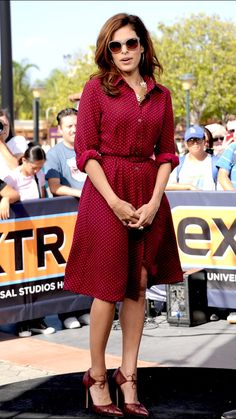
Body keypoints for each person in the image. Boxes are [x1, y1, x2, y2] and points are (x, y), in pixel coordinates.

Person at [63, 13, 183, 417]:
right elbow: (86, 153)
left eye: (131, 43)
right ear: (107, 50)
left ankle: (127, 375)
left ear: (143, 45)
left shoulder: (162, 95)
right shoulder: (95, 89)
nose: (124, 52)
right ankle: (96, 375)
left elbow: (167, 153)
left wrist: (153, 201)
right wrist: (114, 201)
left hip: (147, 192)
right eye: (115, 45)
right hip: (105, 192)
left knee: (140, 282)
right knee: (106, 286)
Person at [4, 143, 56, 337]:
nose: (38, 170)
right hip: (16, 234)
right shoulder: (12, 177)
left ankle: (37, 319)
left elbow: (42, 197)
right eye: (34, 167)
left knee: (38, 277)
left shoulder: (38, 176)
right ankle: (22, 322)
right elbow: (6, 194)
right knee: (21, 279)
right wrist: (5, 200)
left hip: (37, 232)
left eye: (40, 167)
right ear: (24, 160)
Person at [44, 108, 88, 329]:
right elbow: (55, 187)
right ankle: (67, 313)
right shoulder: (54, 154)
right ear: (60, 129)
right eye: (69, 125)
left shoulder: (89, 148)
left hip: (91, 216)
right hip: (66, 219)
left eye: (77, 124)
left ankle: (86, 308)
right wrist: (81, 193)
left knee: (90, 265)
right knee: (68, 266)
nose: (74, 129)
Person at [166, 125, 218, 191]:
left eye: (198, 139)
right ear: (186, 144)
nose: (195, 143)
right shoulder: (178, 163)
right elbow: (166, 185)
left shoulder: (215, 162)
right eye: (191, 141)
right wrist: (188, 187)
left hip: (209, 201)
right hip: (185, 201)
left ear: (204, 141)